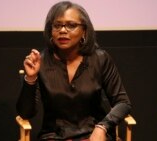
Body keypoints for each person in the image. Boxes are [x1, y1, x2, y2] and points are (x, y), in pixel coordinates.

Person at [16, 1, 131, 141]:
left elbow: (123, 102)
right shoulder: (40, 62)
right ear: (50, 31)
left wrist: (103, 127)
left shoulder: (100, 59)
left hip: (94, 135)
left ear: (84, 31)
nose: (63, 30)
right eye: (57, 25)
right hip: (54, 136)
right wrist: (31, 78)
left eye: (71, 25)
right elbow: (25, 113)